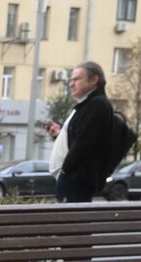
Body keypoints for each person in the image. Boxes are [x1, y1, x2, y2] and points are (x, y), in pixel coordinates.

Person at [43, 61, 114, 203]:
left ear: (94, 79)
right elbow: (79, 138)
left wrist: (65, 171)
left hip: (75, 181)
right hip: (73, 179)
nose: (71, 84)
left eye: (76, 79)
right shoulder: (87, 105)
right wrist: (59, 134)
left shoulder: (97, 105)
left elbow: (84, 143)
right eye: (71, 80)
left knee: (71, 217)